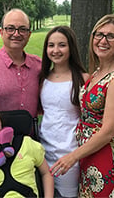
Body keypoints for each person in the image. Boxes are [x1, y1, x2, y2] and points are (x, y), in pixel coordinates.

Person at [50, 14, 114, 197]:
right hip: (88, 152)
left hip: (105, 153)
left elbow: (107, 132)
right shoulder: (96, 73)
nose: (103, 40)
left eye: (110, 36)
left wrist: (72, 156)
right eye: (98, 34)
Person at [38, 26, 89, 198]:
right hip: (44, 151)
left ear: (71, 48)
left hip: (70, 154)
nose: (55, 50)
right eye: (51, 45)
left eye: (62, 45)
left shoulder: (83, 79)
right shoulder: (43, 78)